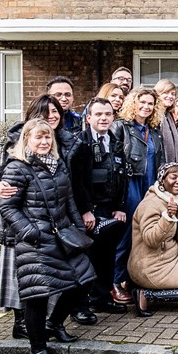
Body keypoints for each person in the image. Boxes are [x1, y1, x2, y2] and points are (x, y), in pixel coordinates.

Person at [0, 118, 96, 354]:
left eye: (47, 137)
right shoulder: (17, 167)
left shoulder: (57, 164)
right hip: (35, 241)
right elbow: (7, 207)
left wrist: (78, 228)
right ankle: (38, 351)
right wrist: (30, 232)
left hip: (63, 236)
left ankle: (53, 324)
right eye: (38, 137)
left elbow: (69, 199)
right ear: (27, 139)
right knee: (37, 297)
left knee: (84, 280)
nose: (44, 141)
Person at [71, 97, 130, 316]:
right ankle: (80, 306)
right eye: (98, 114)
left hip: (109, 209)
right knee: (87, 259)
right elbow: (77, 181)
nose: (103, 118)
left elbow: (122, 176)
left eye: (107, 114)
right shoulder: (81, 143)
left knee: (107, 256)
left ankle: (102, 298)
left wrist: (120, 206)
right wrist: (86, 209)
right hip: (88, 211)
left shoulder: (114, 141)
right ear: (88, 118)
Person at [128, 163, 178, 317]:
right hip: (151, 266)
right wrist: (168, 217)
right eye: (173, 177)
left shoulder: (174, 199)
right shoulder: (151, 203)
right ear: (162, 180)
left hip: (168, 260)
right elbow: (151, 239)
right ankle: (146, 295)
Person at [114, 87, 165, 302]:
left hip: (150, 184)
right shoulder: (121, 127)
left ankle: (134, 278)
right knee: (127, 233)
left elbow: (158, 159)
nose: (146, 107)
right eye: (142, 102)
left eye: (150, 103)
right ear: (133, 103)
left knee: (145, 234)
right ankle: (115, 281)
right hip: (130, 182)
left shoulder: (154, 130)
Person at [154, 79, 178, 165]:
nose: (170, 96)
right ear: (157, 94)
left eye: (173, 94)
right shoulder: (154, 115)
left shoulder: (168, 116)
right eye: (165, 93)